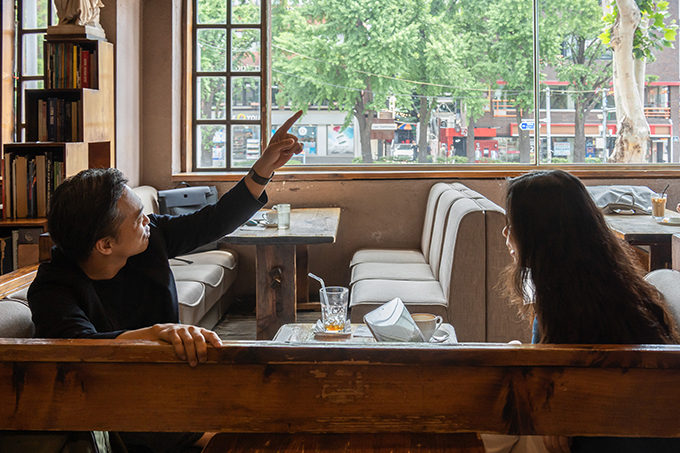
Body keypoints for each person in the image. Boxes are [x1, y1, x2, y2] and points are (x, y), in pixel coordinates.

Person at [27, 110, 304, 452]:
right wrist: (158, 334)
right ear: (105, 244)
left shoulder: (148, 238)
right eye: (137, 217)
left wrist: (264, 167)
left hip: (174, 384)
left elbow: (212, 222)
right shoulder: (53, 288)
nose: (148, 220)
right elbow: (78, 348)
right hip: (119, 409)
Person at [500, 169, 680, 453]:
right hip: (604, 421)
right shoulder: (597, 283)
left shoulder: (574, 304)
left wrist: (563, 415)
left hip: (614, 433)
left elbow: (597, 388)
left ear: (537, 234)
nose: (506, 234)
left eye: (513, 225)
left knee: (488, 421)